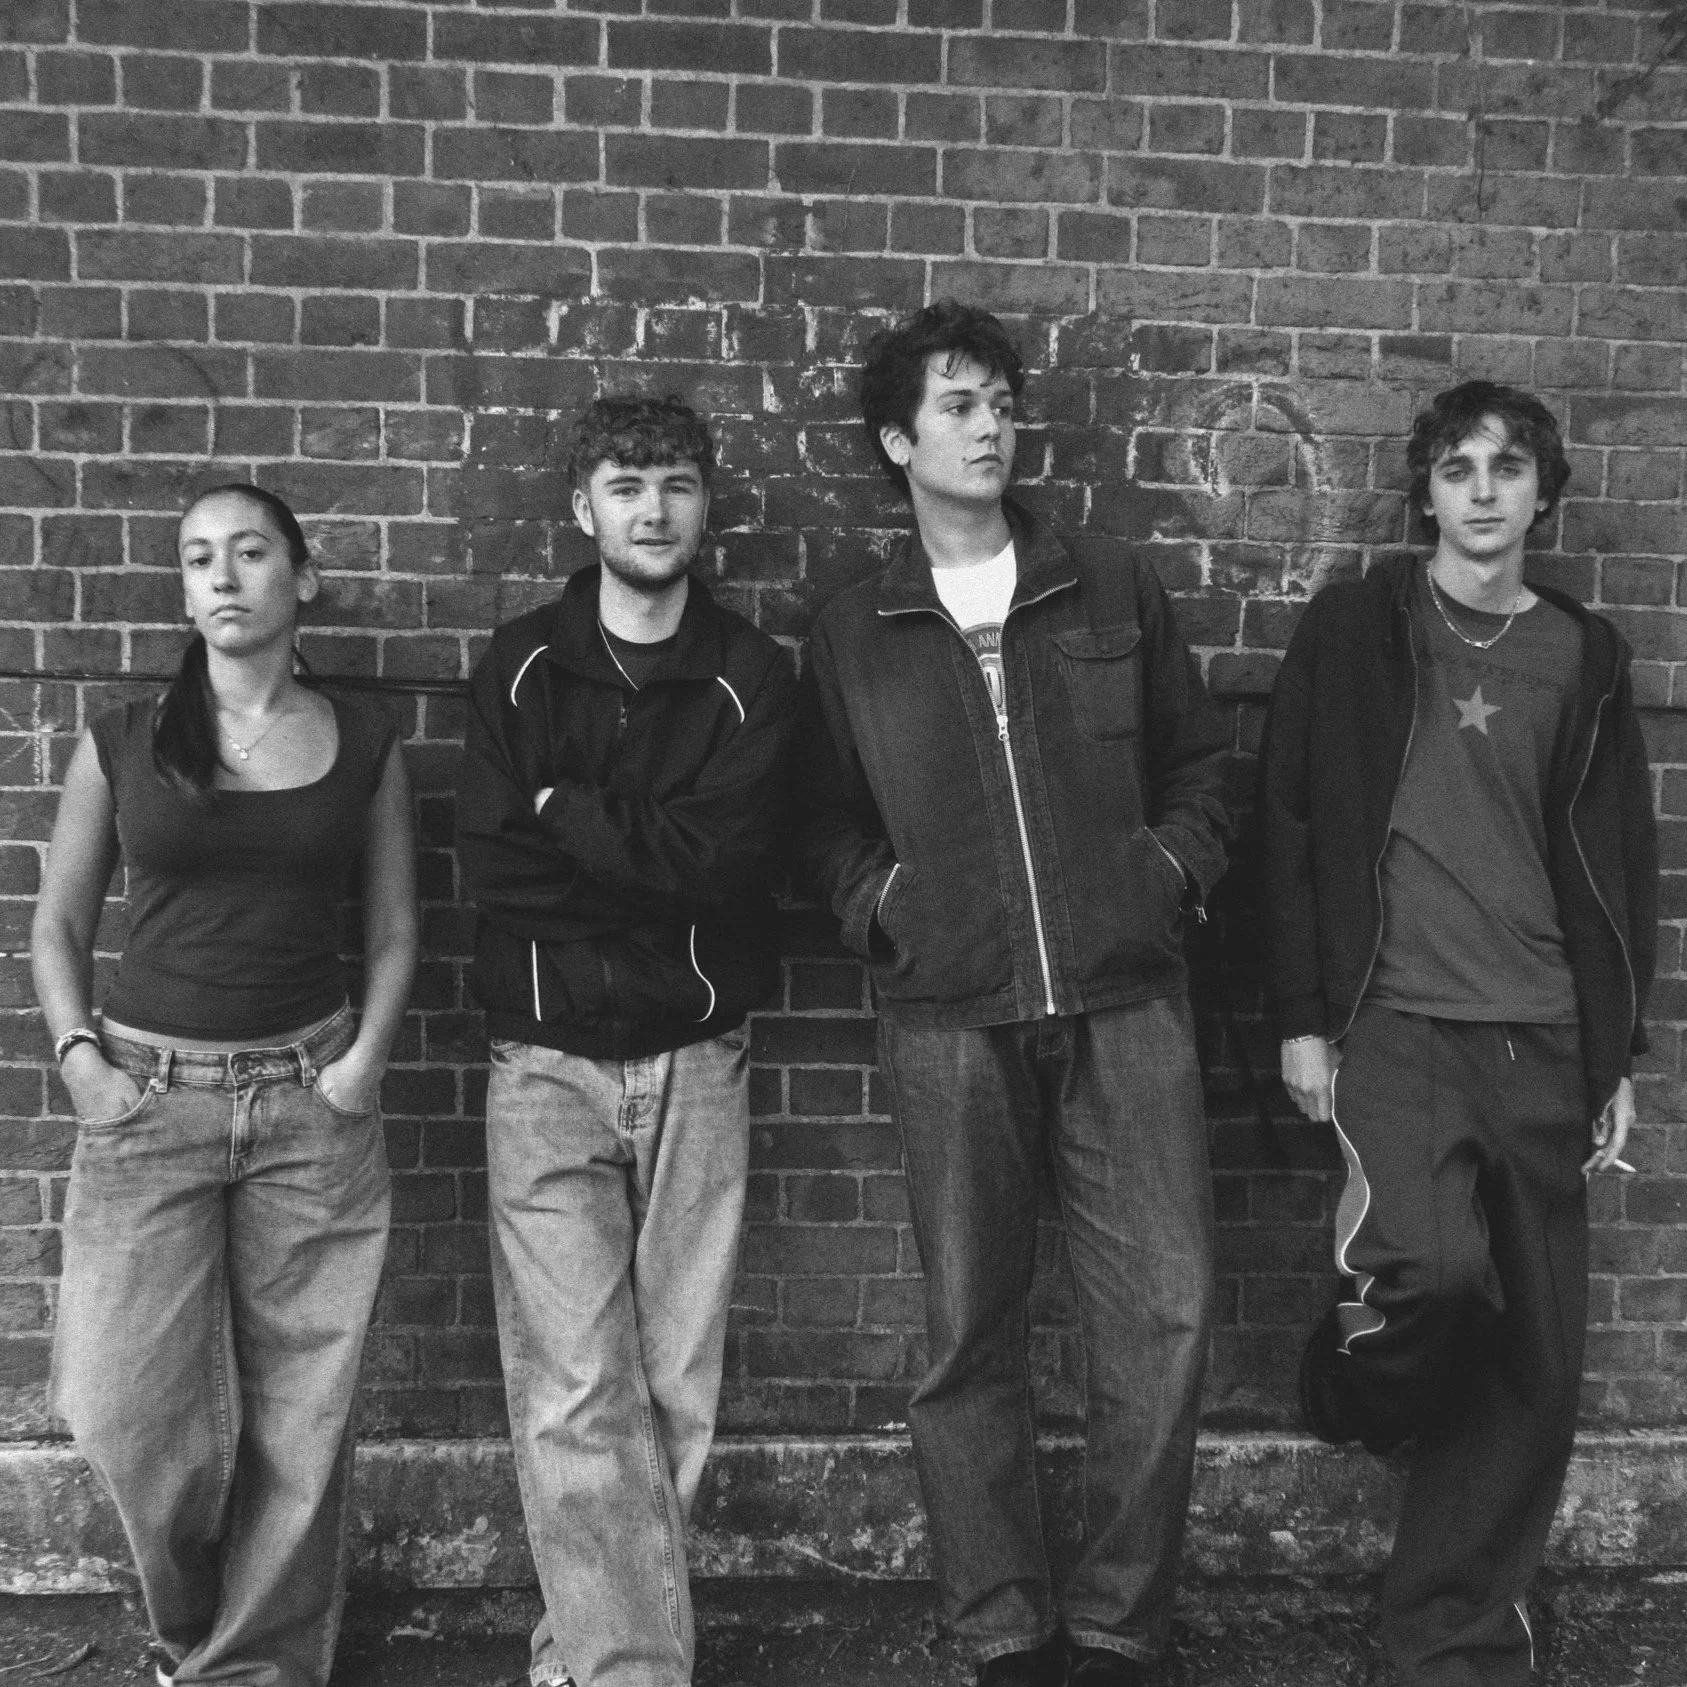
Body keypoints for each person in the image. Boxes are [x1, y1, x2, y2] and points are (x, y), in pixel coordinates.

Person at [793, 301, 1232, 1687]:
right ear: (896, 439)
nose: (990, 428)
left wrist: (1156, 876)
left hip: (1124, 1001)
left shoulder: (1108, 583)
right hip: (947, 1015)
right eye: (960, 405)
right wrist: (886, 907)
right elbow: (813, 821)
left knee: (1162, 1315)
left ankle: (1114, 1625)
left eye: (1000, 403)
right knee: (965, 1328)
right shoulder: (853, 627)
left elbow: (1204, 771)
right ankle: (997, 1624)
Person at [1260, 380, 1657, 1686]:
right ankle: (1352, 1379)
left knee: (1532, 1359)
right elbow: (1291, 823)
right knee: (1426, 1275)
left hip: (1538, 1030)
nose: (1481, 489)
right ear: (1422, 490)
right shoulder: (1354, 627)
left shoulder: (1581, 653)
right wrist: (1301, 1014)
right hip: (1396, 1023)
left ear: (1542, 492)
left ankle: (1448, 1639)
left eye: (1504, 468)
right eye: (1454, 467)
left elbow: (1612, 858)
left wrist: (1616, 1055)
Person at [32, 484, 417, 1687]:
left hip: (312, 1102)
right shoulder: (124, 736)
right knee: (124, 1409)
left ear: (303, 579)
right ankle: (193, 1630)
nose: (224, 576)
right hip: (147, 1101)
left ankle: (253, 1670)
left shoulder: (363, 740)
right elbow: (56, 923)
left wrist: (362, 1068)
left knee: (303, 1414)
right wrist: (81, 1063)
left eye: (250, 552)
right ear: (185, 589)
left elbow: (399, 929)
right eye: (199, 559)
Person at [456, 394, 797, 1687]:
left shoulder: (750, 676)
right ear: (580, 508)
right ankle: (629, 1671)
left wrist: (567, 811)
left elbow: (726, 867)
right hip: (542, 1061)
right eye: (624, 483)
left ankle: (582, 1648)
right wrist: (640, 854)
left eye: (674, 483)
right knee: (572, 1387)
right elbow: (495, 868)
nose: (651, 508)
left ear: (704, 503)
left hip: (696, 1056)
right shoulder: (519, 666)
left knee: (672, 1390)